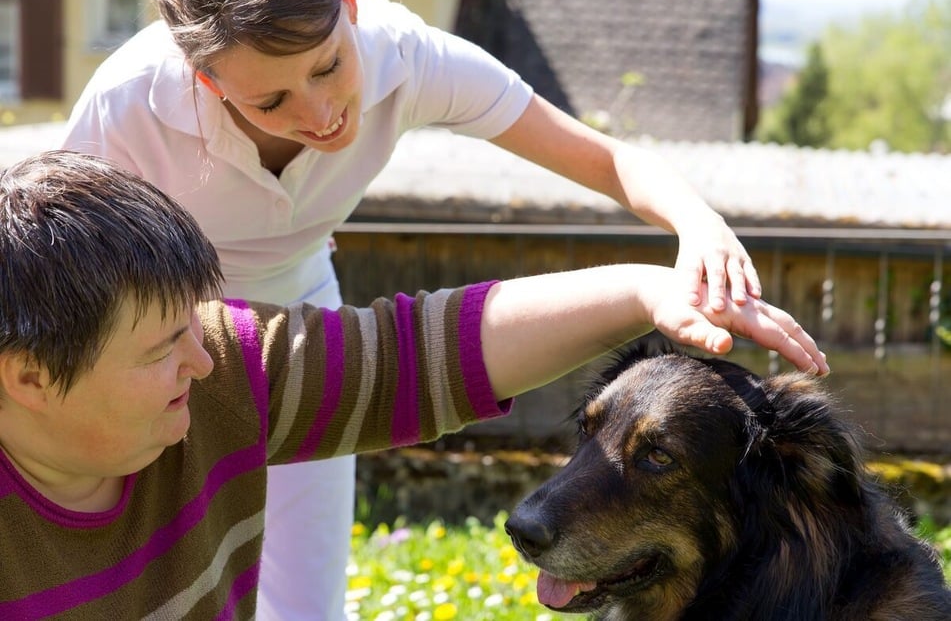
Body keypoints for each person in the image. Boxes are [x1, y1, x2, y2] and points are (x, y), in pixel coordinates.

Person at [62, 0, 766, 617]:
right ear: (205, 81)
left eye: (327, 66)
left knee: (307, 600)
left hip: (307, 333)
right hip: (160, 345)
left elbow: (606, 159)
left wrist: (696, 224)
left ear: (349, 3)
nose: (320, 113)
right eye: (270, 103)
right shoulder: (128, 102)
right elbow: (58, 278)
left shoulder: (408, 56)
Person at [0, 150, 825, 620]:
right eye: (160, 349)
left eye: (195, 323)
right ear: (29, 376)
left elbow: (408, 355)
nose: (206, 360)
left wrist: (647, 291)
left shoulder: (224, 370)